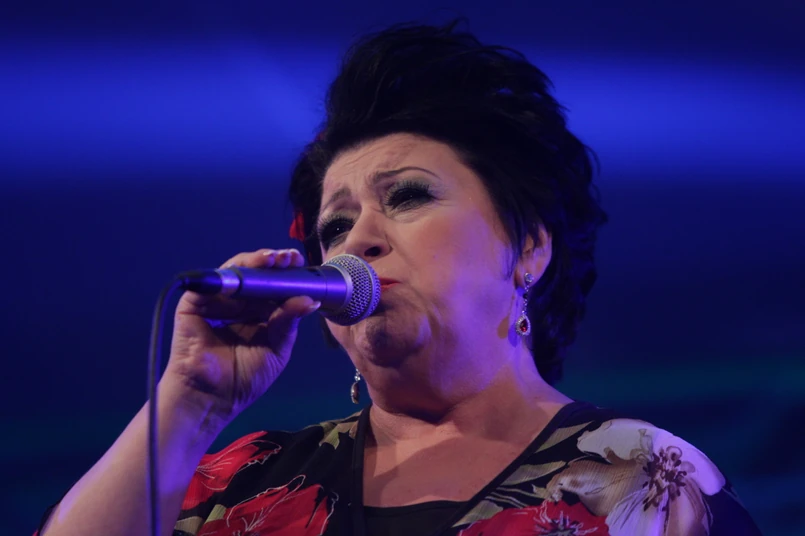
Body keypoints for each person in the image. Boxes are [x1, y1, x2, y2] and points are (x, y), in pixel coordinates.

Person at [37, 20, 763, 536]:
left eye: (408, 196)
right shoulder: (240, 487)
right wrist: (190, 401)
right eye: (334, 227)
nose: (357, 239)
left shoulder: (644, 479)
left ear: (529, 249)